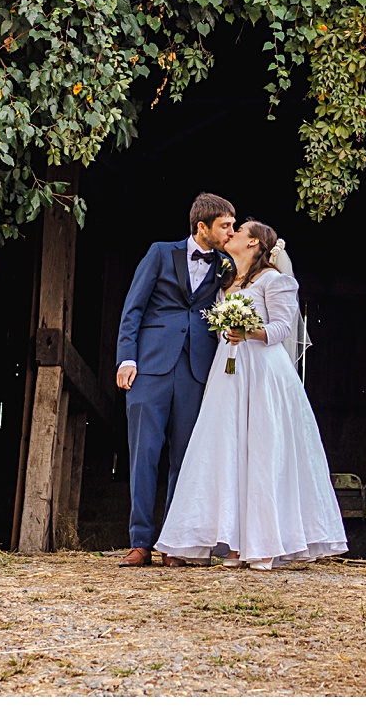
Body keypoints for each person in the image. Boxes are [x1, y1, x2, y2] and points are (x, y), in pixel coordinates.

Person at [155, 220, 349, 569]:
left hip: (263, 372)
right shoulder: (226, 283)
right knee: (227, 450)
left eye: (239, 230)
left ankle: (264, 543)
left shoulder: (275, 280)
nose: (232, 235)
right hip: (228, 373)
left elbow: (282, 328)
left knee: (261, 450)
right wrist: (227, 334)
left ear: (255, 242)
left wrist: (248, 332)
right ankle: (232, 544)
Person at [113, 193, 237, 568]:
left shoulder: (226, 267)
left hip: (197, 370)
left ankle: (175, 544)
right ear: (202, 227)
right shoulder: (159, 253)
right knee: (144, 454)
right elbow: (132, 307)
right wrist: (126, 357)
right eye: (225, 225)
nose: (231, 231)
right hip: (149, 366)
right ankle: (139, 542)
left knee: (186, 459)